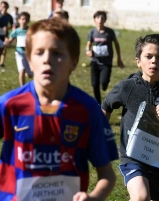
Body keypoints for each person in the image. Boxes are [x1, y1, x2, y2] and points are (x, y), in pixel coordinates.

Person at [0, 18, 119, 201]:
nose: (47, 59)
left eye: (57, 53)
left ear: (73, 61)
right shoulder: (9, 105)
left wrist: (94, 198)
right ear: (29, 60)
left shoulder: (87, 110)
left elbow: (107, 174)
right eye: (39, 53)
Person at [101, 34, 159, 201]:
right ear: (138, 61)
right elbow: (106, 106)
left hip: (158, 159)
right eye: (148, 56)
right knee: (141, 197)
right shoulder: (127, 87)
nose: (154, 61)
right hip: (131, 156)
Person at [86, 10, 124, 104]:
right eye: (98, 18)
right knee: (94, 84)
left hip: (106, 63)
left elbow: (116, 44)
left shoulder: (109, 32)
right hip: (94, 61)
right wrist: (88, 51)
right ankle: (98, 103)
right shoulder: (92, 32)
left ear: (105, 20)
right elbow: (88, 45)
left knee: (103, 83)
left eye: (102, 18)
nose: (100, 20)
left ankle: (105, 83)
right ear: (94, 20)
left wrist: (119, 58)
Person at [6, 12, 32, 86]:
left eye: (26, 19)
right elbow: (10, 41)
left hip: (28, 54)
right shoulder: (16, 31)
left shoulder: (30, 31)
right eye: (23, 19)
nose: (24, 21)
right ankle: (22, 88)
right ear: (19, 20)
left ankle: (28, 72)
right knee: (22, 70)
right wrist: (7, 42)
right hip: (19, 53)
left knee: (30, 75)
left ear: (28, 21)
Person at [0, 1, 13, 67]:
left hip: (4, 34)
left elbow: (12, 26)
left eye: (5, 6)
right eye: (2, 6)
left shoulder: (9, 16)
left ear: (7, 7)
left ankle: (2, 63)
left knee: (4, 47)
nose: (4, 8)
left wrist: (7, 28)